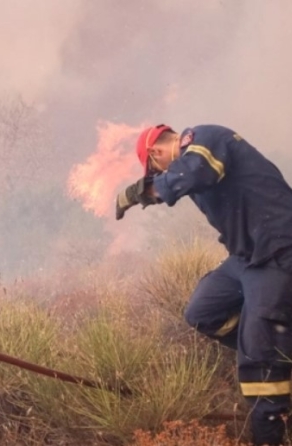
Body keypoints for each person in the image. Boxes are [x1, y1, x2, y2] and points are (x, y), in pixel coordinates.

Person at [116, 124, 292, 445]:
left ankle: (271, 433)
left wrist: (140, 192)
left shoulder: (204, 139)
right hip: (245, 258)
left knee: (259, 361)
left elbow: (194, 172)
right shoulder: (190, 165)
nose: (160, 175)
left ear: (156, 152)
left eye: (155, 169)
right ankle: (277, 344)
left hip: (277, 253)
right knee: (203, 312)